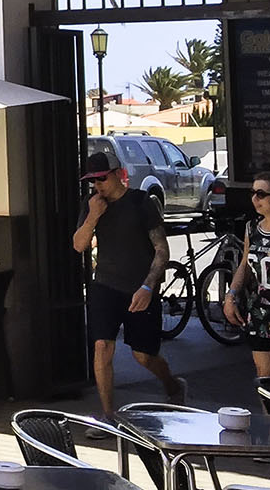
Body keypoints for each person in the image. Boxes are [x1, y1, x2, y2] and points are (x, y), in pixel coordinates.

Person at [73, 152, 185, 420]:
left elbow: (161, 249)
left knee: (143, 355)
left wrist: (148, 287)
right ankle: (109, 414)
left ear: (116, 174)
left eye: (102, 178)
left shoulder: (141, 202)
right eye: (92, 180)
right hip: (105, 285)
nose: (98, 185)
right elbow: (78, 245)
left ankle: (173, 384)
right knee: (102, 346)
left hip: (139, 287)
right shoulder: (92, 204)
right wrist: (92, 217)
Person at [224, 171, 270, 378]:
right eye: (253, 193)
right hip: (260, 314)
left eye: (261, 194)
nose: (255, 199)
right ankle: (268, 413)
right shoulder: (252, 228)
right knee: (265, 381)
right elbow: (245, 264)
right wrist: (231, 295)